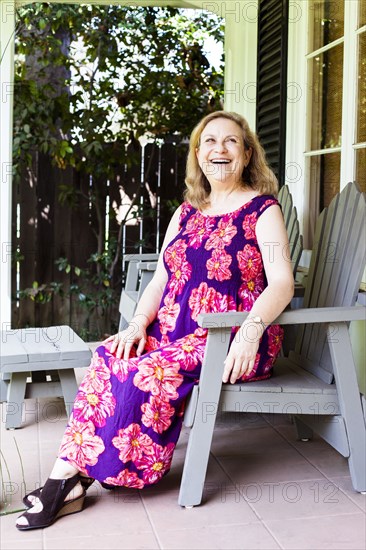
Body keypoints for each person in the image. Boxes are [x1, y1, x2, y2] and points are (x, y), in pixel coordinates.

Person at [16, 111, 294, 530]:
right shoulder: (186, 212)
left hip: (231, 334)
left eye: (231, 141)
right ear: (198, 155)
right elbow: (162, 277)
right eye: (209, 141)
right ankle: (72, 476)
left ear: (248, 153)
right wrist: (138, 323)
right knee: (110, 355)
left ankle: (66, 482)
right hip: (173, 330)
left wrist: (251, 330)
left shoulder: (262, 209)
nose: (220, 149)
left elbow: (282, 284)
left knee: (145, 372)